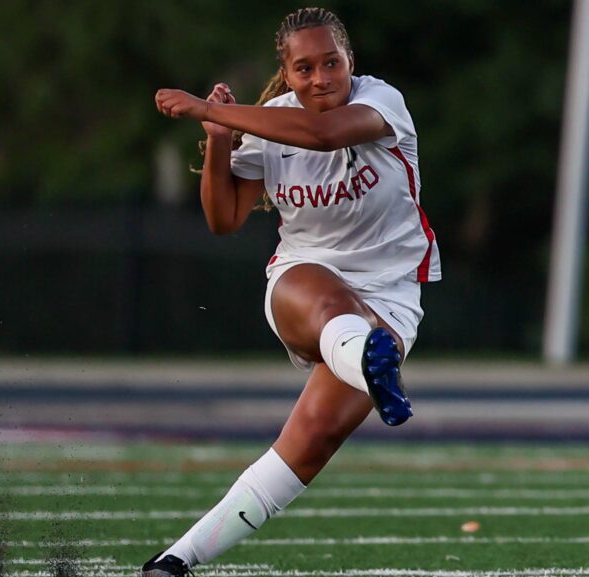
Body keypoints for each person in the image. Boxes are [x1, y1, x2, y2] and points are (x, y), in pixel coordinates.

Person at [142, 7, 440, 576]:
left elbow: (324, 135)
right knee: (329, 300)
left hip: (389, 296)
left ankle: (175, 562)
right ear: (287, 70)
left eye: (332, 63)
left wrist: (211, 107)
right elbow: (224, 217)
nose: (321, 78)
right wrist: (220, 139)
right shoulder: (268, 121)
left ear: (351, 61)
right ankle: (367, 358)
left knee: (310, 442)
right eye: (304, 68)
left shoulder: (381, 102)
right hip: (302, 279)